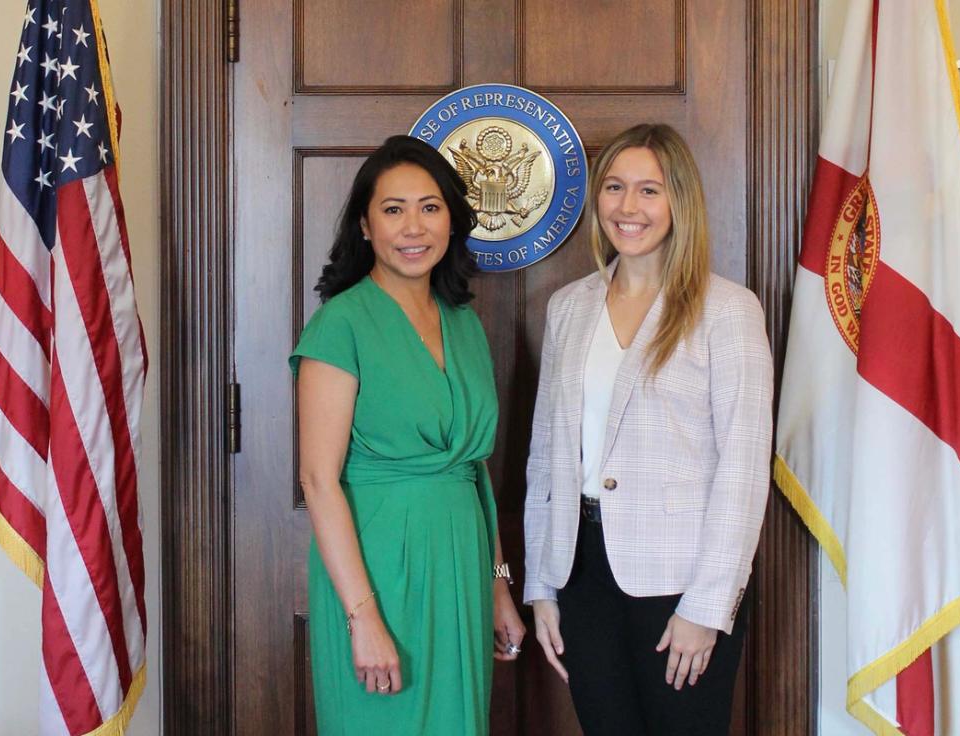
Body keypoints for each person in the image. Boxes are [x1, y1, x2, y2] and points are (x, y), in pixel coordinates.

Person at [523, 123, 773, 735]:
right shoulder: (568, 307)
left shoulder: (727, 310)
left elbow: (743, 472)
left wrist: (709, 608)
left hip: (681, 585)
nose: (627, 207)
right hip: (579, 575)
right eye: (613, 188)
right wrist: (539, 584)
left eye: (648, 191)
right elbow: (545, 458)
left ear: (679, 201)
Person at [290, 135, 526, 736]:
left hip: (463, 567)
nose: (412, 226)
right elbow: (318, 481)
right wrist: (362, 617)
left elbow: (474, 474)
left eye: (430, 207)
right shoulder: (339, 324)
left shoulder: (465, 324)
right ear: (365, 226)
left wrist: (499, 587)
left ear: (451, 219)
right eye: (393, 209)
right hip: (377, 572)